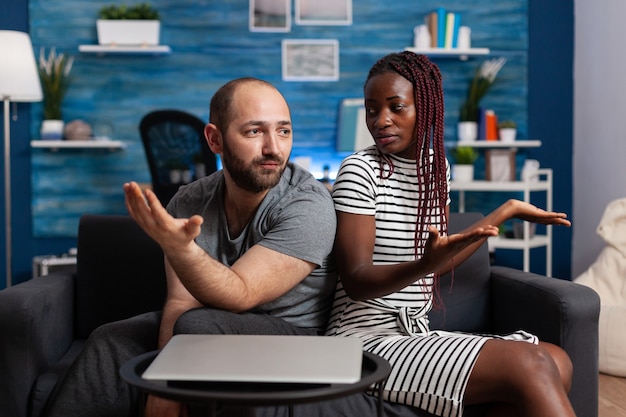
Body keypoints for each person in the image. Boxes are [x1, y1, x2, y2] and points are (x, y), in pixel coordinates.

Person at [43, 77, 338, 417]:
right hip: (210, 325)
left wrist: (168, 380)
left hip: (297, 339)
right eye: (255, 132)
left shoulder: (307, 205)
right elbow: (181, 301)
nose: (273, 147)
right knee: (110, 338)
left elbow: (240, 293)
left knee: (197, 328)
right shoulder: (190, 200)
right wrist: (163, 386)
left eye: (283, 131)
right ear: (215, 139)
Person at [325, 51, 575, 417]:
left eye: (396, 107)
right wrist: (424, 263)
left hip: (416, 336)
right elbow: (358, 280)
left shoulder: (435, 169)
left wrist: (502, 212)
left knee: (558, 360)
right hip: (362, 341)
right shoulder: (359, 170)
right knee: (532, 364)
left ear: (424, 108)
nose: (381, 120)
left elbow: (437, 263)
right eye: (372, 109)